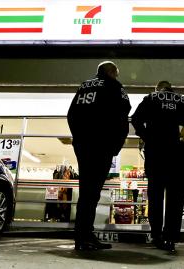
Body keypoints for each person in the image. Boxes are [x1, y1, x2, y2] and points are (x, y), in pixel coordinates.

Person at [131, 81, 184, 253]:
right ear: (171, 89)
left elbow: (135, 119)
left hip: (156, 152)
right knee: (176, 196)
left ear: (157, 89)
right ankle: (170, 237)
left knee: (156, 194)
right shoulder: (182, 99)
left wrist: (146, 136)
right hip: (178, 153)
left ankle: (156, 235)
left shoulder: (151, 98)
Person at [67, 61, 131, 250]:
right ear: (111, 72)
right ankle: (85, 237)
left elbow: (71, 115)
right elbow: (123, 114)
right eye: (116, 73)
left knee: (86, 191)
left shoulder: (84, 87)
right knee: (92, 192)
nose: (117, 77)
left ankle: (83, 235)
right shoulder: (114, 86)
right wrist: (115, 146)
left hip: (83, 145)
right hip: (101, 145)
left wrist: (78, 138)